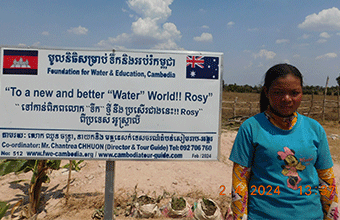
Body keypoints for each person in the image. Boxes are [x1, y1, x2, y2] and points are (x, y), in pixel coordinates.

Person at [228, 63, 339, 219]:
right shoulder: (251, 128)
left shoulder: (315, 129)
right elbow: (239, 181)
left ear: (302, 93)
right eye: (278, 92)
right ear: (266, 92)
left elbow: (327, 181)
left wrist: (332, 216)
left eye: (294, 93)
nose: (287, 99)